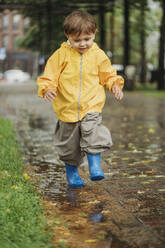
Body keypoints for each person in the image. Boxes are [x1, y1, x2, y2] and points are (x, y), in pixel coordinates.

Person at [37, 10, 124, 188]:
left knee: (92, 132)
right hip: (67, 109)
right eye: (77, 40)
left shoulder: (99, 55)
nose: (83, 44)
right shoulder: (60, 55)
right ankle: (72, 172)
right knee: (70, 146)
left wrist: (114, 84)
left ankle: (94, 166)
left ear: (94, 34)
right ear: (68, 36)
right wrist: (47, 89)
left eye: (87, 39)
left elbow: (107, 74)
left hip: (91, 105)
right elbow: (49, 76)